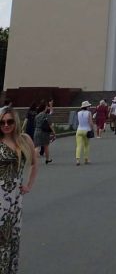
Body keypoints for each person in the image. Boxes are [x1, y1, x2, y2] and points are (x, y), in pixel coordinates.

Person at [0, 105, 37, 273]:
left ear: (15, 121)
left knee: (13, 238)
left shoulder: (25, 140)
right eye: (2, 122)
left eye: (9, 121)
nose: (6, 125)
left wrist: (28, 185)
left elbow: (35, 164)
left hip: (15, 199)